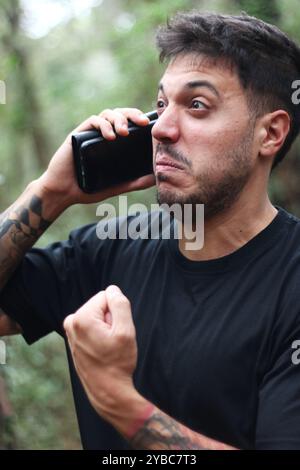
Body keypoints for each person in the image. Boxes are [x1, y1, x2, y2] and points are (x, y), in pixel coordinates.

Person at [1, 11, 300, 450]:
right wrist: (50, 192)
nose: (161, 128)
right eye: (161, 105)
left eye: (197, 105)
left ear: (270, 133)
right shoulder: (112, 246)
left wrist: (120, 401)